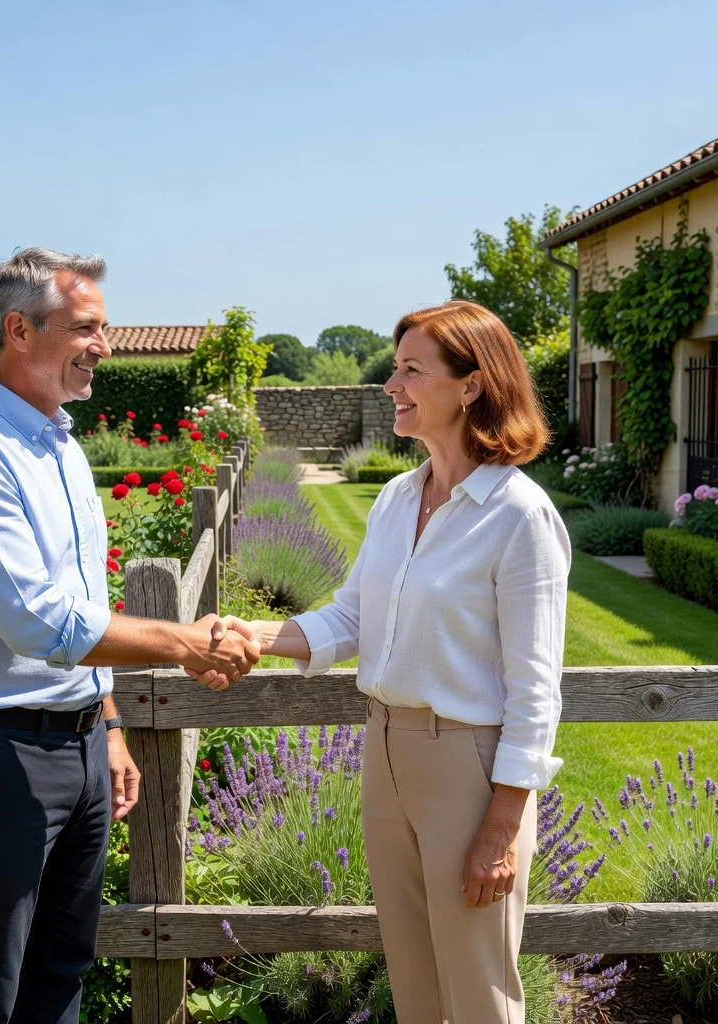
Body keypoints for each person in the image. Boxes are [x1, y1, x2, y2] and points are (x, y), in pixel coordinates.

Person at [0, 247, 259, 1024]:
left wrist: (107, 724)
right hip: (0, 760)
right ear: (21, 330)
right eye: (88, 328)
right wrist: (187, 644)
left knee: (59, 977)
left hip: (78, 751)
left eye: (107, 327)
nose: (107, 345)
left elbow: (82, 596)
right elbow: (39, 622)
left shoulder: (59, 444)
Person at [195, 300, 571, 1023]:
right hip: (385, 756)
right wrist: (257, 634)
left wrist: (500, 828)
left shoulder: (519, 517)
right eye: (394, 368)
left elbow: (535, 691)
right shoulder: (399, 498)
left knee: (479, 993)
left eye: (410, 370)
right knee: (416, 986)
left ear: (470, 386)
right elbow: (354, 618)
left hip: (468, 771)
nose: (391, 386)